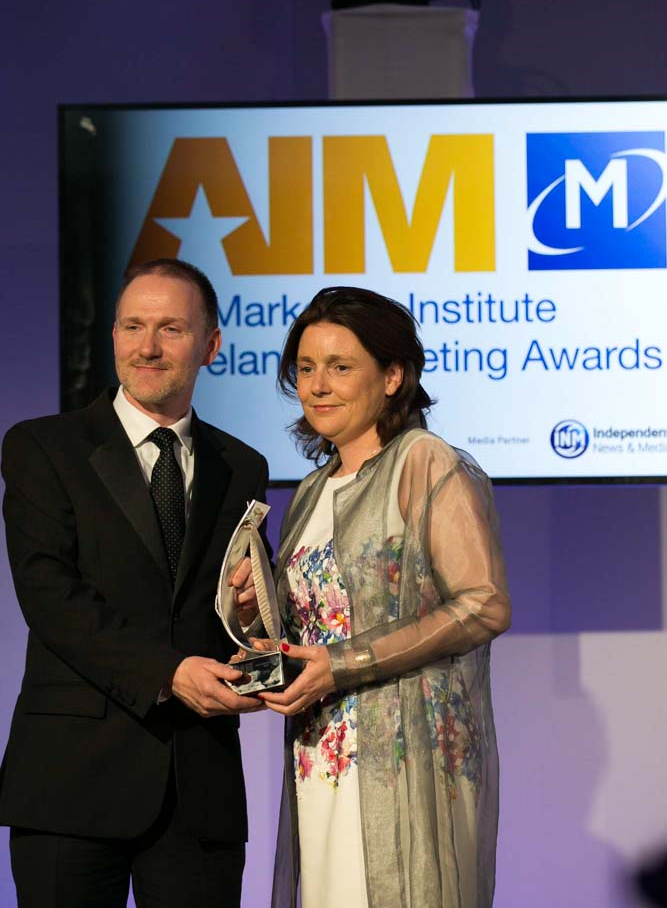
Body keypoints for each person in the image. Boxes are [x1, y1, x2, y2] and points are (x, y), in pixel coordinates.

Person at [0, 258, 270, 908]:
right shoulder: (43, 448)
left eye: (170, 329)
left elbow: (235, 607)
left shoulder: (242, 465)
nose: (147, 347)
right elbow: (50, 597)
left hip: (199, 784)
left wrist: (254, 620)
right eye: (132, 326)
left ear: (210, 345)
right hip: (70, 780)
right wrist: (169, 672)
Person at [260, 286, 511, 908]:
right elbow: (317, 623)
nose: (318, 386)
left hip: (405, 764)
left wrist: (342, 664)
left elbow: (484, 602)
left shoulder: (423, 460)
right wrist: (253, 615)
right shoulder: (312, 490)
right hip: (323, 758)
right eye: (306, 368)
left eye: (340, 367)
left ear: (393, 375)